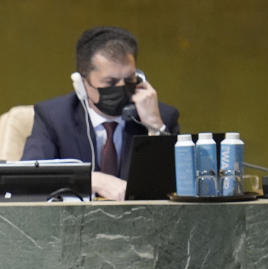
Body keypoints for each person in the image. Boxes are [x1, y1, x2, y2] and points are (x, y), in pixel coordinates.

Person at [21, 26, 180, 201]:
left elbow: (177, 186)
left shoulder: (162, 117)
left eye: (129, 79)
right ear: (82, 83)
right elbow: (28, 178)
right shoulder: (54, 117)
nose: (121, 87)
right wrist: (94, 180)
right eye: (110, 82)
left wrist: (155, 128)